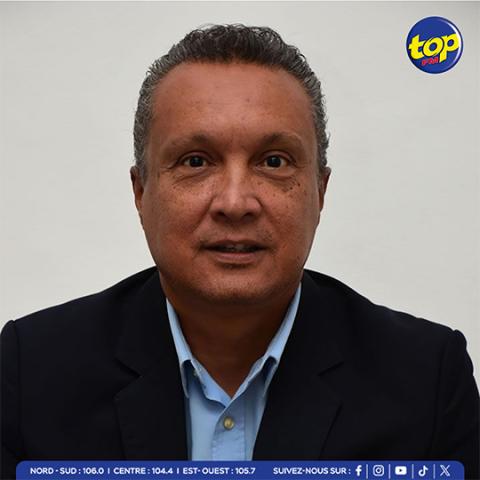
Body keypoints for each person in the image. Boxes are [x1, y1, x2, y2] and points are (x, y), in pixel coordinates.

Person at [1, 24, 478, 480]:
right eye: (196, 161)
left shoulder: (427, 379)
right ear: (140, 192)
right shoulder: (32, 370)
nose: (235, 203)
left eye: (274, 161)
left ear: (320, 191)